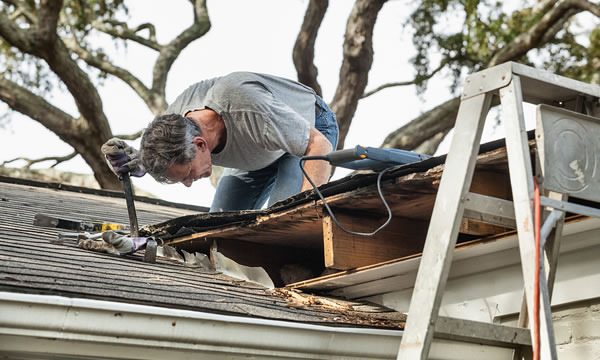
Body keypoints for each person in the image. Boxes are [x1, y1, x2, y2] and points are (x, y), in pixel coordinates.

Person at [102, 71, 339, 212]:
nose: (189, 184)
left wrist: (308, 212)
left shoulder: (248, 107)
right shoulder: (173, 126)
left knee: (286, 215)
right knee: (217, 225)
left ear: (200, 144)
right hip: (260, 144)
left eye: (187, 175)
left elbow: (318, 145)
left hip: (310, 130)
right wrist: (137, 162)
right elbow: (162, 159)